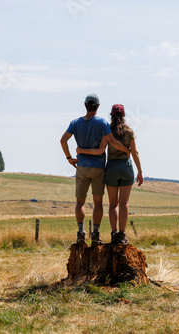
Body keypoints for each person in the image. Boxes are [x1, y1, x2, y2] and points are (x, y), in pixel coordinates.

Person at [60, 94, 131, 245]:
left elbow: (63, 140)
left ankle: (80, 232)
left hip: (82, 167)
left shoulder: (75, 122)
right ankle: (96, 233)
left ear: (85, 105)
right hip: (98, 168)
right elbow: (113, 142)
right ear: (98, 106)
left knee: (80, 202)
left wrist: (69, 157)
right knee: (98, 202)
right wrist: (127, 150)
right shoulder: (101, 123)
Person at [77, 104, 143, 244]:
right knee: (124, 203)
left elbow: (100, 150)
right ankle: (122, 234)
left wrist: (81, 150)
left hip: (111, 167)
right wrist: (140, 172)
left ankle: (113, 233)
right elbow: (135, 153)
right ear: (124, 115)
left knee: (113, 204)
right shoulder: (129, 132)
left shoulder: (107, 131)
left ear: (111, 115)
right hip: (126, 166)